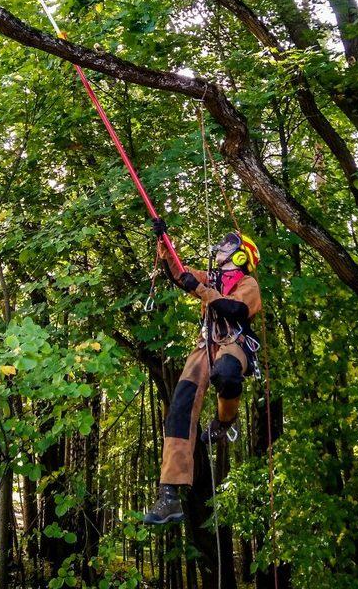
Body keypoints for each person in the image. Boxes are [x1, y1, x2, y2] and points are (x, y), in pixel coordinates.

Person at [143, 219, 262, 525]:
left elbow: (236, 310)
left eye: (227, 246)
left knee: (226, 373)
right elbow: (180, 275)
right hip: (204, 345)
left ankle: (224, 420)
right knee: (180, 406)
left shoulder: (247, 284)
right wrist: (165, 243)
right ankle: (169, 493)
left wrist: (203, 291)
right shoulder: (209, 279)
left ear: (239, 256)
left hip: (232, 343)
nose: (219, 250)